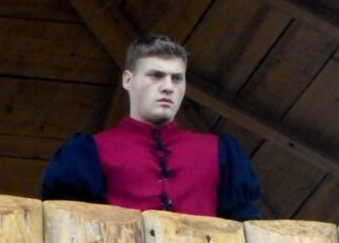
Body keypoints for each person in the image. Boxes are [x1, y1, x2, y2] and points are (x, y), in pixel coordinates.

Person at [40, 35, 261, 220]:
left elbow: (244, 228)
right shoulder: (90, 151)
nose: (168, 87)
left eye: (177, 78)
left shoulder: (220, 151)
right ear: (128, 80)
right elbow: (69, 226)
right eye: (156, 76)